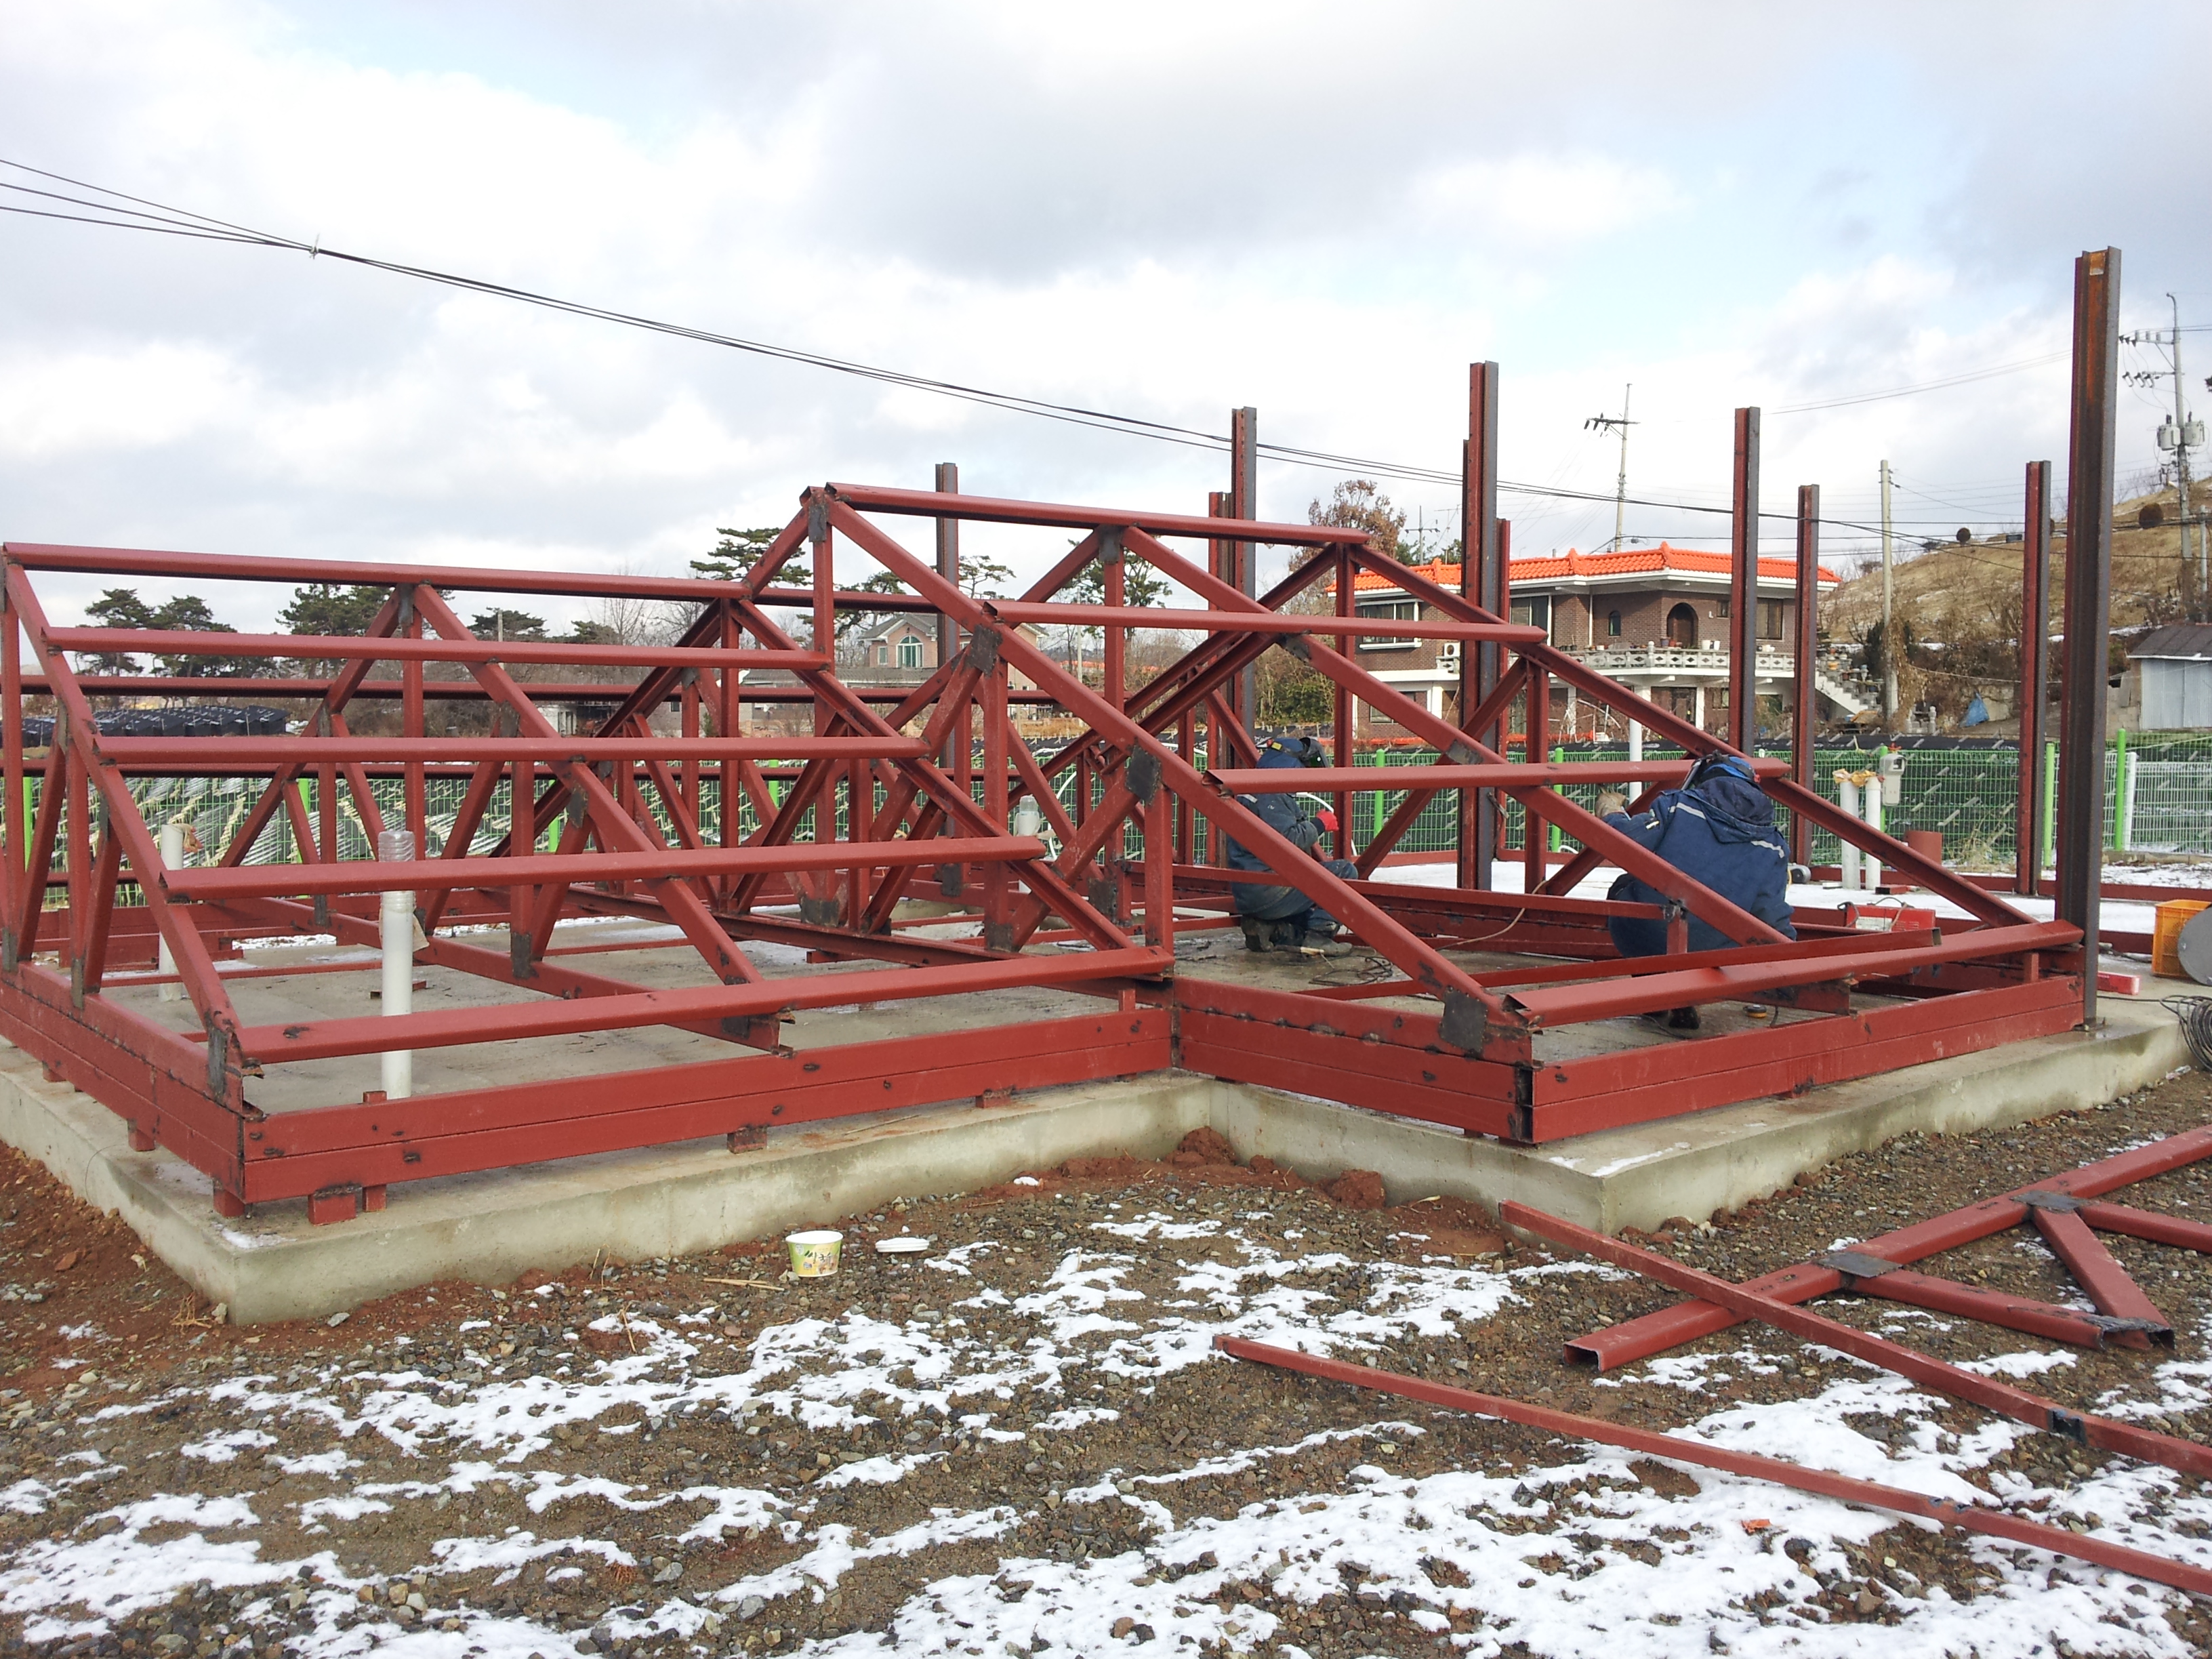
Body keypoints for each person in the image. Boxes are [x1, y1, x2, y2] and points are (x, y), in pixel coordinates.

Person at [1594, 752, 1795, 1025]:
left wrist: (1612, 814)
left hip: (1650, 935)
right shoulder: (1773, 843)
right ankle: (1685, 994)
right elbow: (1771, 916)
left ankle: (1651, 990)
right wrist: (1793, 964)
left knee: (1623, 888)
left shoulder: (1678, 806)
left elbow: (1623, 842)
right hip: (1717, 953)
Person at [1223, 734, 1359, 958]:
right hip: (1270, 893)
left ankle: (1268, 929)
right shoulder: (1272, 794)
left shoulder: (1251, 789)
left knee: (1305, 914)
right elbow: (1287, 841)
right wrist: (1320, 824)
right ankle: (1319, 937)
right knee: (1345, 872)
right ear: (1291, 764)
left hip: (1249, 893)